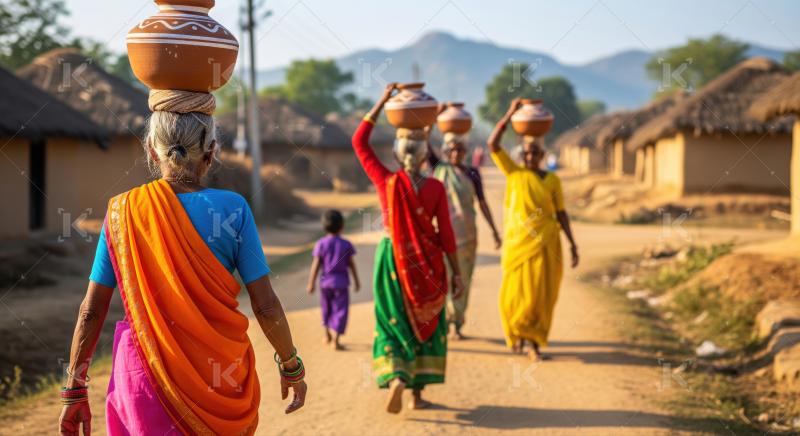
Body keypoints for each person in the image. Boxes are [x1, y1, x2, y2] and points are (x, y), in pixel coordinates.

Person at [59, 93, 307, 436]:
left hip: (144, 374)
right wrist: (291, 365)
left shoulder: (123, 212)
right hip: (217, 373)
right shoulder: (233, 209)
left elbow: (91, 310)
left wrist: (75, 388)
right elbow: (265, 305)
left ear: (150, 150)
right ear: (212, 152)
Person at [352, 83, 465, 413]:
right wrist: (457, 274)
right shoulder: (436, 188)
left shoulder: (386, 183)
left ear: (397, 154)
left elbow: (359, 142)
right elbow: (446, 236)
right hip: (427, 263)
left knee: (392, 320)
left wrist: (382, 101)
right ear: (426, 152)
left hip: (392, 262)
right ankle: (417, 394)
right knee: (425, 322)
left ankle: (396, 376)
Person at [487, 98, 580, 361]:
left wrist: (573, 244)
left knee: (541, 295)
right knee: (516, 293)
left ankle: (534, 343)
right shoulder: (513, 173)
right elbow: (492, 145)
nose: (530, 157)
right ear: (521, 155)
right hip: (518, 245)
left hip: (547, 243)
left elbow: (561, 212)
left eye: (535, 153)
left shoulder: (552, 180)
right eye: (526, 153)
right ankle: (517, 334)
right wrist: (509, 113)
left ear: (541, 155)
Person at [426, 123, 502, 340]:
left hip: (467, 236)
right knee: (443, 278)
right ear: (445, 151)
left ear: (466, 151)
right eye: (452, 149)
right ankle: (444, 322)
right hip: (442, 236)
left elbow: (482, 203)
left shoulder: (472, 173)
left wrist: (495, 231)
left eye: (460, 149)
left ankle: (457, 323)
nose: (456, 153)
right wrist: (434, 118)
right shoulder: (438, 168)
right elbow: (424, 142)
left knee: (463, 279)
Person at [306, 209, 360, 350]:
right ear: (342, 226)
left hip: (325, 284)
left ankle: (327, 334)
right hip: (341, 283)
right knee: (341, 310)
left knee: (326, 308)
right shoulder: (346, 244)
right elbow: (351, 264)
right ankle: (336, 340)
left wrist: (311, 283)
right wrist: (357, 280)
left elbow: (316, 264)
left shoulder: (321, 244)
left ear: (324, 227)